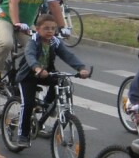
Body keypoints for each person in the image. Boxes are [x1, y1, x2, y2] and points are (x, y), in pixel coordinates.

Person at [13, 13, 91, 147]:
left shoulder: (55, 42)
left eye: (53, 28)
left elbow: (68, 55)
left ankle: (47, 105)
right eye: (46, 28)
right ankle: (23, 135)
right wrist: (37, 69)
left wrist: (81, 68)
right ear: (37, 29)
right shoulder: (33, 42)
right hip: (29, 76)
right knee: (28, 104)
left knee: (62, 82)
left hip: (47, 73)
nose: (50, 31)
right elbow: (30, 56)